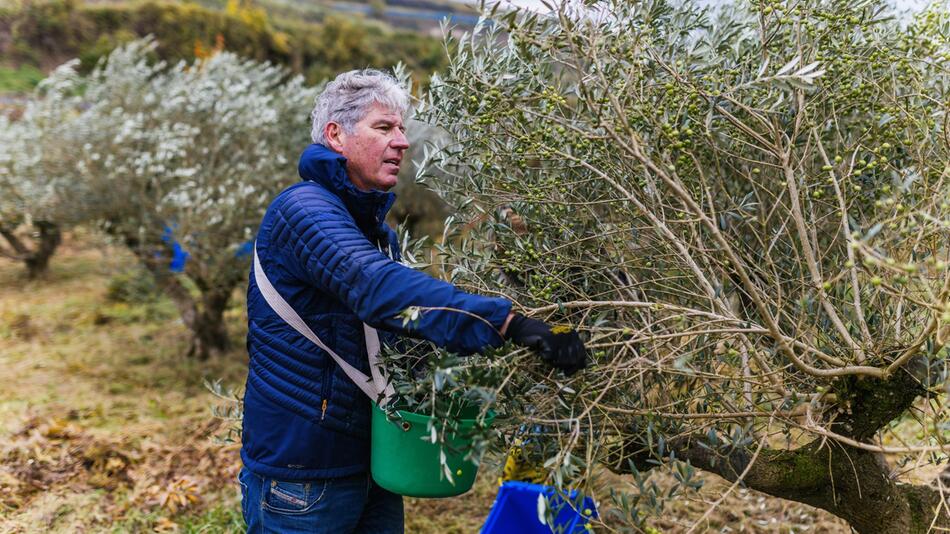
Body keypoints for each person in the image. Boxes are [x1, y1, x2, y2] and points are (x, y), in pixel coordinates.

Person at [238, 69, 587, 533]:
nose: (401, 142)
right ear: (335, 135)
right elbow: (380, 291)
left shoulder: (373, 230)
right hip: (303, 477)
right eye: (384, 128)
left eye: (401, 128)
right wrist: (508, 324)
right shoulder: (303, 210)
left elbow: (400, 334)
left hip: (371, 464)